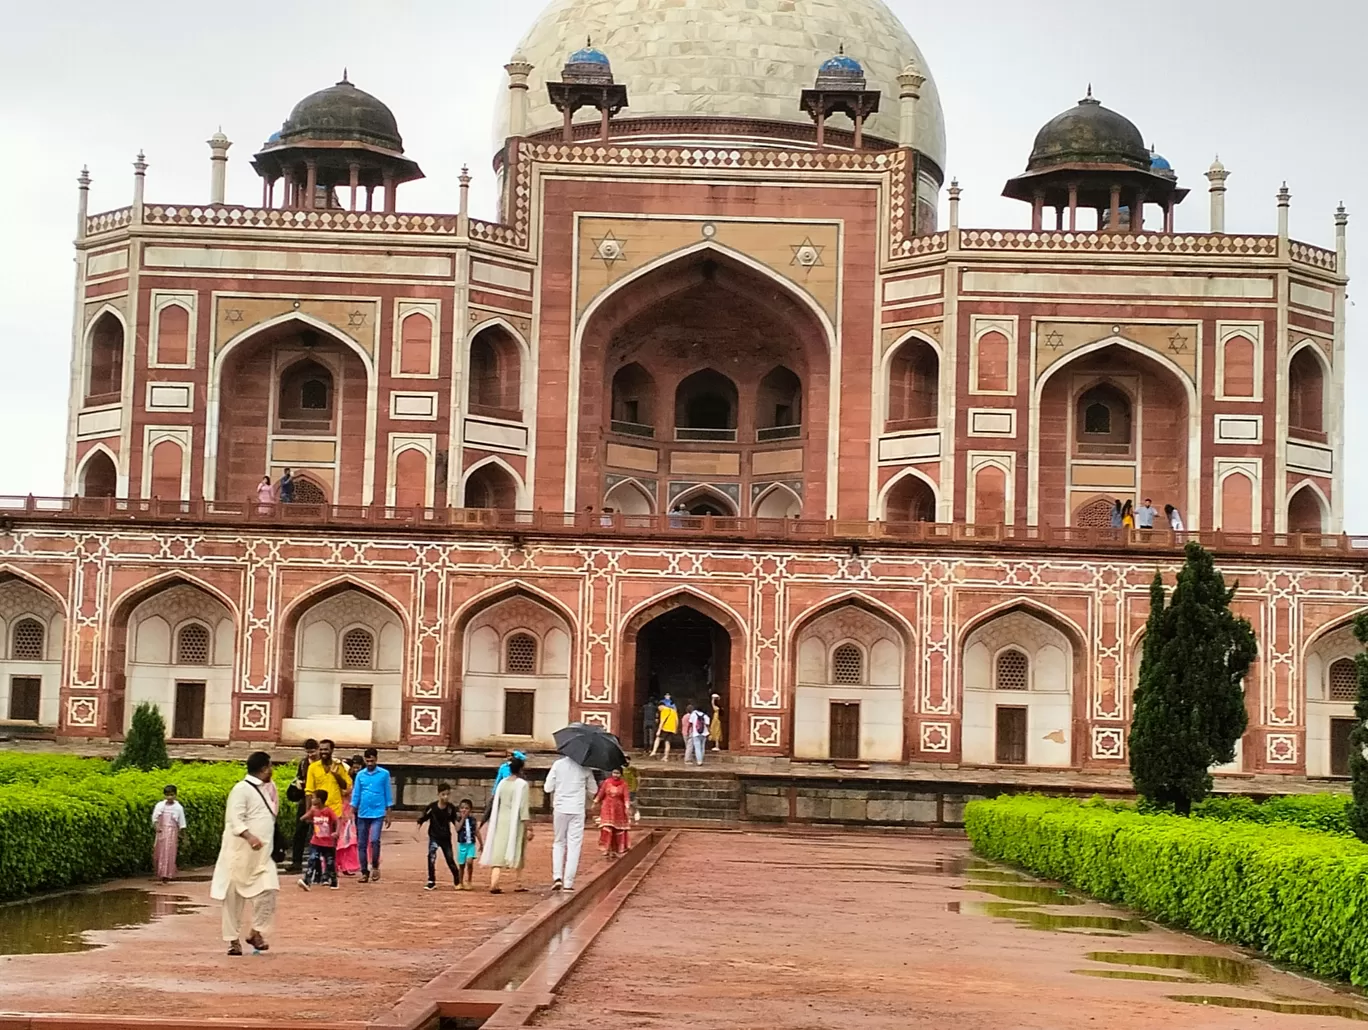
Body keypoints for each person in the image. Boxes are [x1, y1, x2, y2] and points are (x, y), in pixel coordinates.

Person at [210, 751, 279, 956]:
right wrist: (250, 837)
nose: (272, 770)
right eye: (270, 766)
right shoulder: (241, 789)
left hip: (261, 857)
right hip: (238, 855)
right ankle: (232, 941)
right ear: (264, 768)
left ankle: (256, 932)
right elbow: (235, 820)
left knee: (269, 890)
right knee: (232, 897)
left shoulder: (267, 789)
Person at [543, 752, 596, 893]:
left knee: (559, 842)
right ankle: (568, 882)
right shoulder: (585, 768)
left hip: (560, 808)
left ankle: (557, 876)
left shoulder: (558, 765)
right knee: (574, 845)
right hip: (577, 809)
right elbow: (594, 789)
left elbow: (547, 788)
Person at [480, 754, 532, 894]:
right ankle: (518, 882)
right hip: (515, 821)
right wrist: (529, 827)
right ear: (521, 769)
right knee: (518, 850)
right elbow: (523, 808)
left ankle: (494, 882)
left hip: (501, 819)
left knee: (499, 849)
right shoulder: (522, 785)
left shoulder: (502, 783)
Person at [351, 747, 393, 884]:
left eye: (372, 761)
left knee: (374, 840)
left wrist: (389, 812)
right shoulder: (360, 775)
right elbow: (356, 793)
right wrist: (352, 809)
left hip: (378, 812)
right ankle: (364, 871)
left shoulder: (384, 774)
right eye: (367, 761)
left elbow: (387, 792)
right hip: (363, 812)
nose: (370, 763)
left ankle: (375, 866)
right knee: (362, 844)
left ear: (376, 759)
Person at [417, 783, 461, 890]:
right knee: (431, 857)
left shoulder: (451, 808)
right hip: (434, 836)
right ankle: (431, 880)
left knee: (450, 859)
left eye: (447, 794)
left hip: (446, 838)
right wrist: (416, 831)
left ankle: (457, 879)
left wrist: (463, 819)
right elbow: (422, 819)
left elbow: (456, 825)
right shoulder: (432, 807)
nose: (445, 797)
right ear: (438, 794)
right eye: (443, 794)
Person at [286, 739, 320, 874]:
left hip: (318, 801)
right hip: (304, 800)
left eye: (313, 751)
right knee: (299, 832)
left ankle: (317, 863)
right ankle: (296, 862)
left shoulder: (322, 763)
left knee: (317, 833)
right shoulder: (303, 763)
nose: (311, 754)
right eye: (308, 752)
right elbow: (299, 778)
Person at [298, 789, 339, 891]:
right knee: (312, 859)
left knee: (330, 862)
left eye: (314, 797)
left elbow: (336, 820)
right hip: (316, 841)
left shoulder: (328, 811)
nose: (312, 800)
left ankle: (333, 881)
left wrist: (336, 832)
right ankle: (307, 881)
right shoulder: (313, 811)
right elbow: (303, 818)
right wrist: (309, 819)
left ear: (319, 800)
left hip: (328, 843)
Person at [304, 739, 352, 820]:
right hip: (319, 811)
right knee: (320, 833)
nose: (323, 752)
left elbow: (345, 786)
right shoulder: (313, 767)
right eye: (321, 749)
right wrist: (308, 811)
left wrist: (336, 775)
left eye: (326, 749)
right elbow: (309, 791)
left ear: (332, 750)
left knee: (335, 833)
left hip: (336, 810)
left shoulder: (339, 766)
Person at [593, 768, 631, 859]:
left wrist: (627, 807)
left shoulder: (624, 784)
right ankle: (606, 848)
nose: (615, 775)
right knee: (607, 828)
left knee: (618, 829)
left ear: (621, 774)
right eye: (614, 773)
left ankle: (619, 848)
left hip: (619, 809)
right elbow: (601, 793)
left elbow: (626, 797)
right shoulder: (607, 782)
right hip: (607, 807)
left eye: (617, 773)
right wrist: (595, 802)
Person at [151, 784, 187, 883]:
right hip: (161, 831)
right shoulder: (160, 805)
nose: (169, 797)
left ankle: (168, 873)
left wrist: (183, 835)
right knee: (159, 851)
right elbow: (155, 818)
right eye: (167, 795)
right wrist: (157, 827)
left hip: (172, 832)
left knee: (169, 852)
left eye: (172, 795)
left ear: (175, 795)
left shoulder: (178, 807)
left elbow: (182, 822)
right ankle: (160, 872)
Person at [335, 756, 362, 877]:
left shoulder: (349, 781)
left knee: (347, 840)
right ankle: (335, 865)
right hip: (338, 812)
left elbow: (346, 792)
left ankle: (346, 865)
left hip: (347, 813)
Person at [455, 798, 480, 890]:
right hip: (462, 845)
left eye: (466, 808)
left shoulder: (473, 820)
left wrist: (481, 843)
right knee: (461, 864)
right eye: (462, 808)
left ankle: (469, 881)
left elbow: (476, 831)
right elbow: (457, 829)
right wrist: (463, 819)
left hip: (471, 845)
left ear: (470, 810)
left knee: (469, 862)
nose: (464, 810)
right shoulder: (457, 819)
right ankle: (460, 882)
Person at [649, 693, 678, 761]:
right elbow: (677, 720)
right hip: (672, 729)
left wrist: (659, 730)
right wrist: (676, 729)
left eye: (659, 708)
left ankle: (654, 751)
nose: (659, 709)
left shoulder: (664, 711)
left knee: (658, 738)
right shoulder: (673, 711)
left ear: (661, 706)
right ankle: (666, 757)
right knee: (667, 742)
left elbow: (662, 721)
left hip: (665, 728)